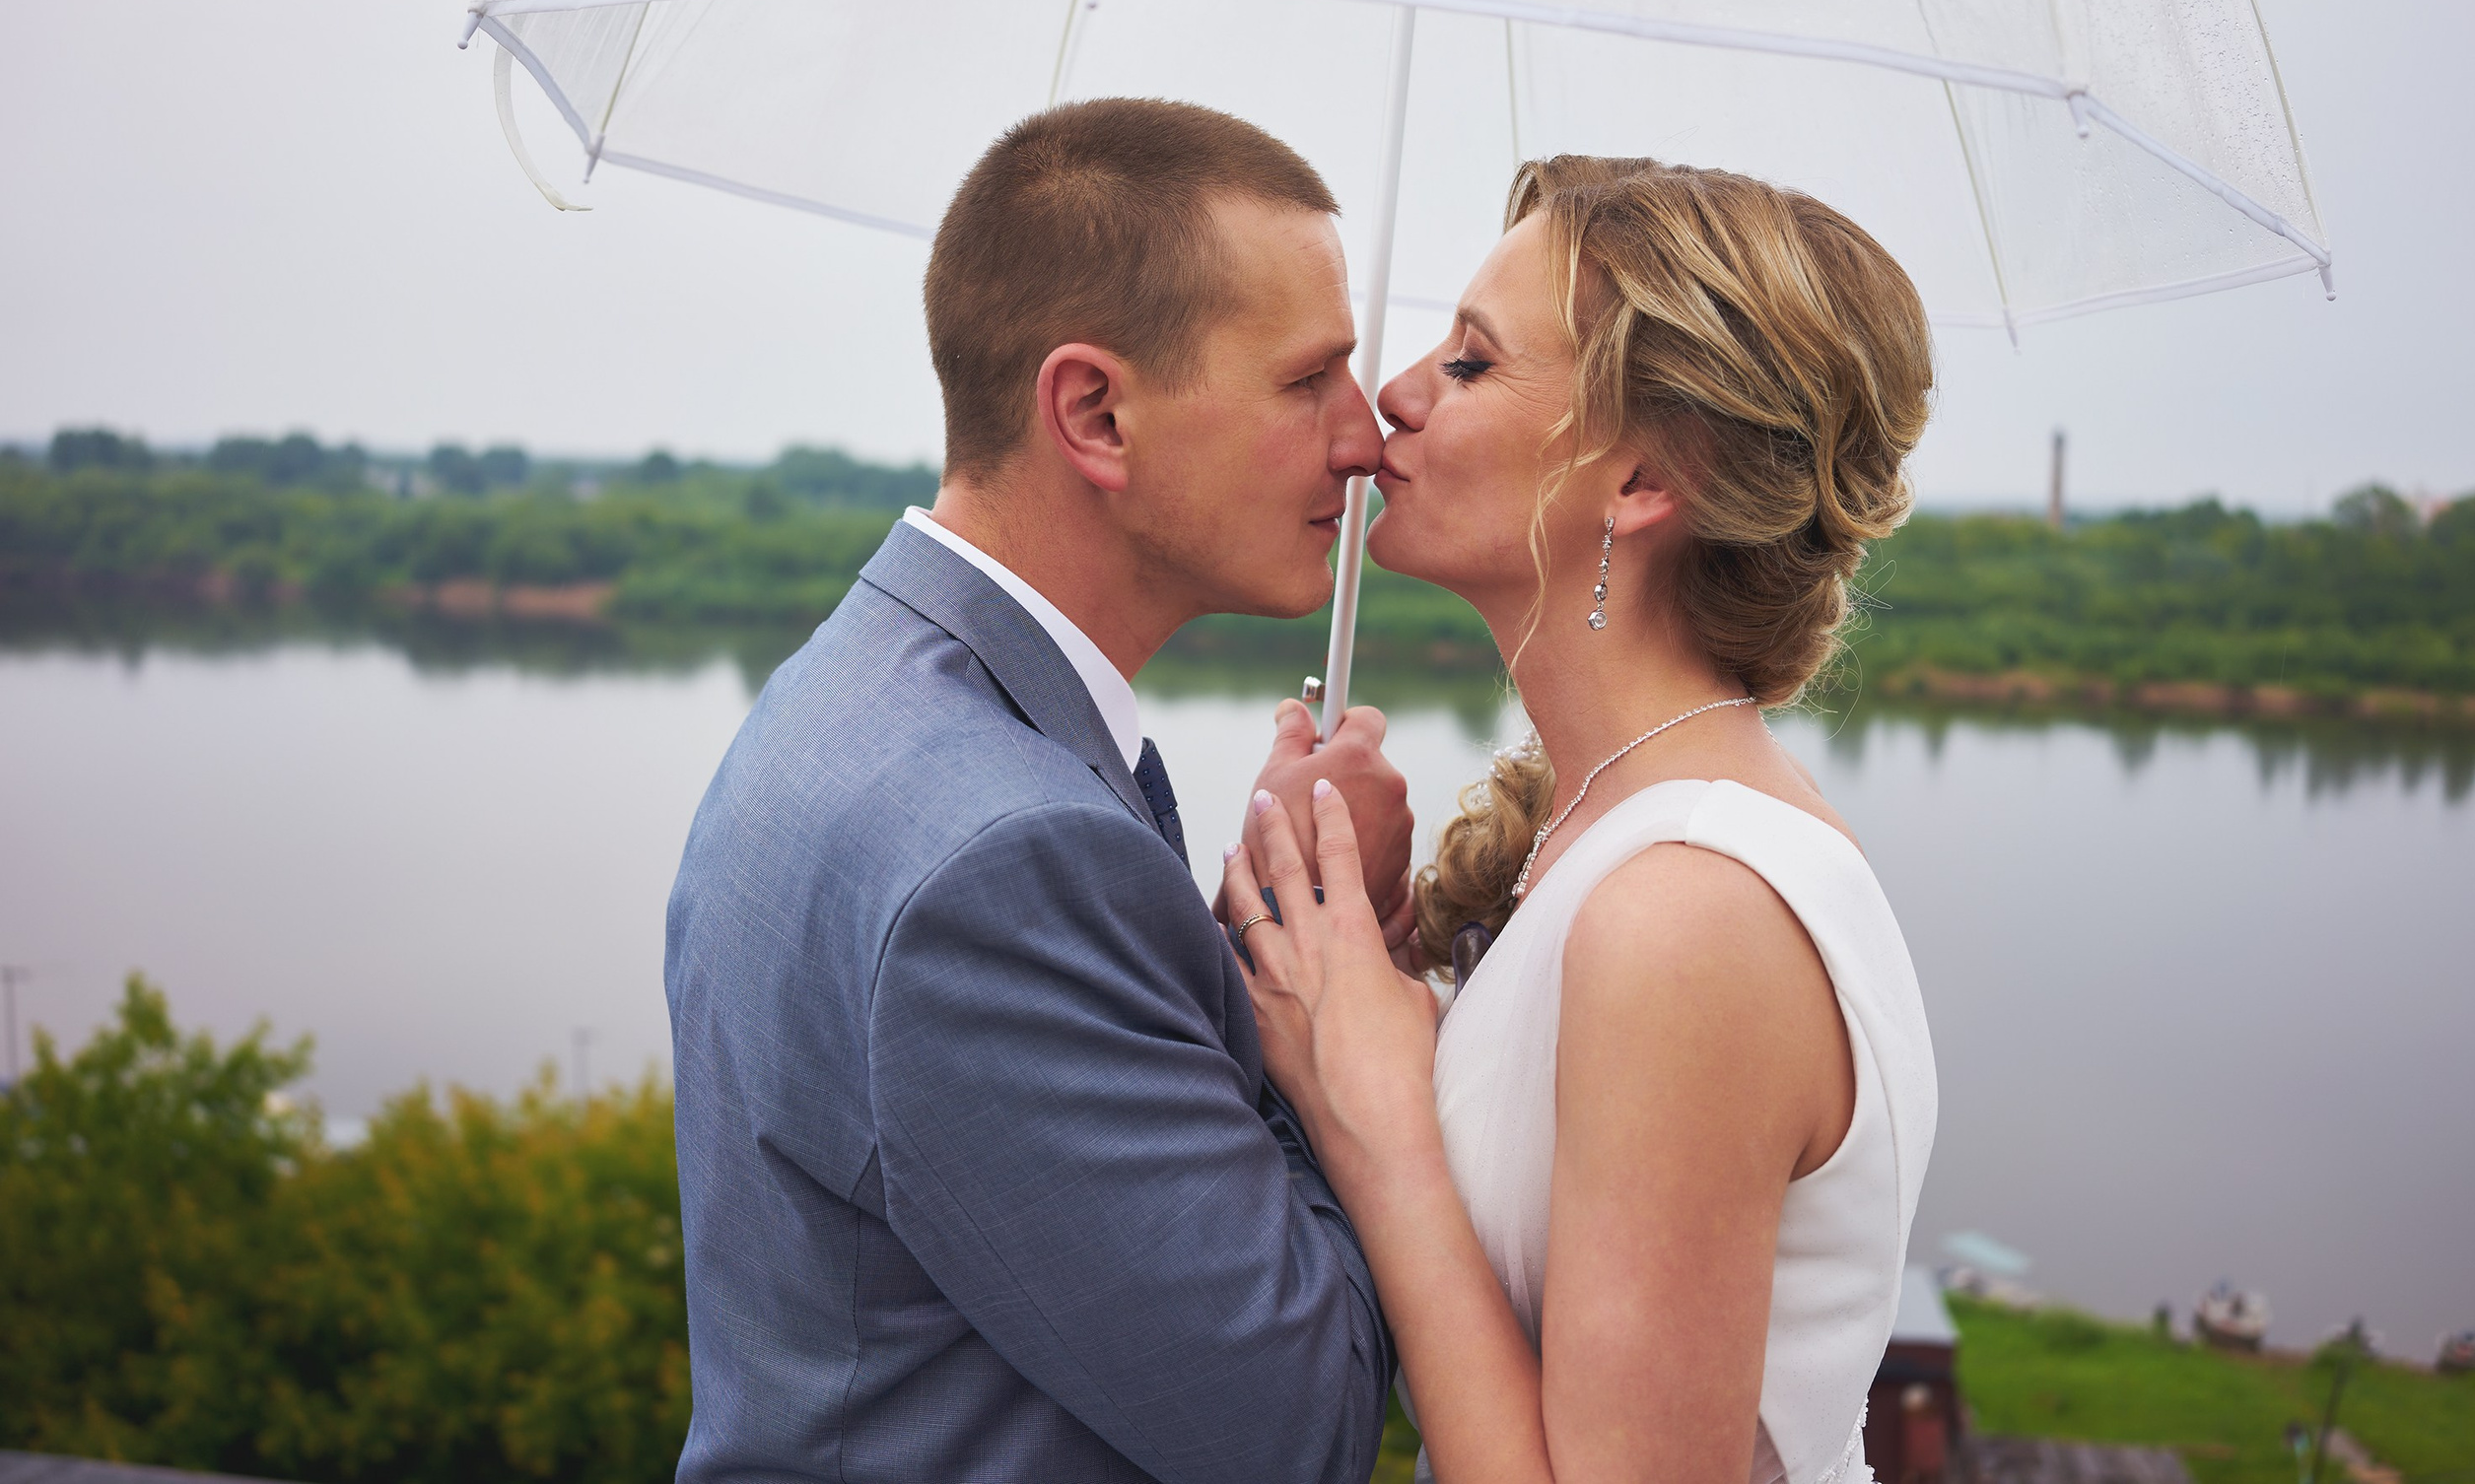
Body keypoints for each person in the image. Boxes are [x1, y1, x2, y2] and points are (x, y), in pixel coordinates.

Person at [665, 99, 1419, 1484]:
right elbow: (1301, 1426)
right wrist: (1320, 962)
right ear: (1096, 412)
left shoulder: (850, 697)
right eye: (1310, 379)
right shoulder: (1000, 860)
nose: (1365, 438)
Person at [1219, 157, 1940, 1484]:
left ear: (1643, 483)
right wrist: (1370, 969)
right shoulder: (1617, 841)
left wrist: (1376, 1110)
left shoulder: (1689, 916)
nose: (1395, 393)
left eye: (1476, 364)